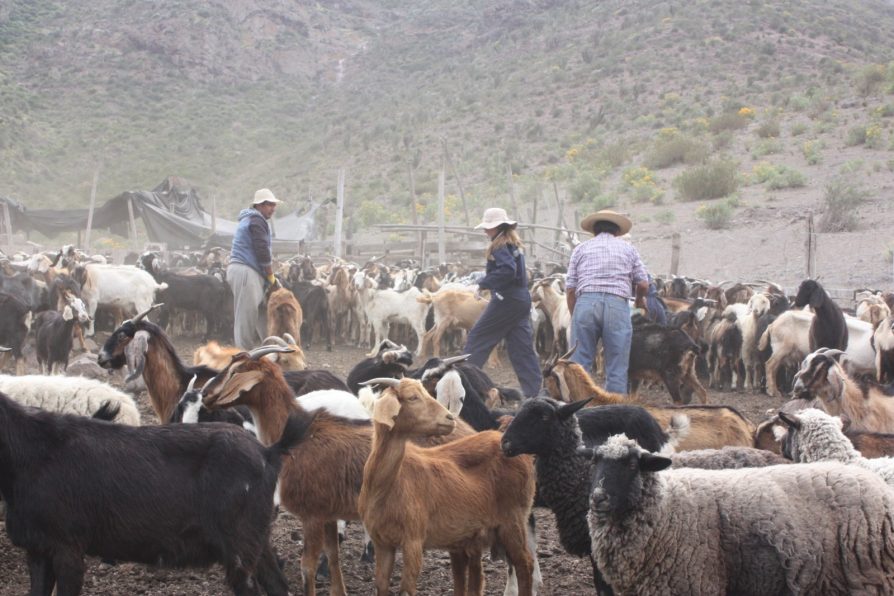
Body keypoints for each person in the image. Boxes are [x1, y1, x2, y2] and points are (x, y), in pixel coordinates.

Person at [566, 209, 649, 394]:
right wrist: (640, 300)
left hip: (586, 303)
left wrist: (575, 315)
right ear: (617, 231)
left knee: (579, 364)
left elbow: (570, 288)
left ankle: (578, 410)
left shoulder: (580, 249)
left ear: (594, 230)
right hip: (617, 305)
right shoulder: (628, 249)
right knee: (617, 366)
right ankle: (614, 413)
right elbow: (643, 283)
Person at [463, 207, 543, 398]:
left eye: (487, 227)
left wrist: (484, 283)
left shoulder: (499, 245)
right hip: (521, 299)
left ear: (497, 227)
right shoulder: (513, 244)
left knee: (478, 339)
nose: (485, 231)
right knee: (521, 349)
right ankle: (536, 394)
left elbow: (507, 271)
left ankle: (466, 385)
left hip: (506, 299)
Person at [227, 188, 282, 350]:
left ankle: (271, 349)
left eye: (274, 205)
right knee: (246, 316)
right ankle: (244, 355)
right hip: (246, 271)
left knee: (263, 311)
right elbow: (262, 250)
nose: (273, 208)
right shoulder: (256, 221)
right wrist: (271, 276)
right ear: (260, 205)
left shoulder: (251, 219)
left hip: (247, 271)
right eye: (270, 205)